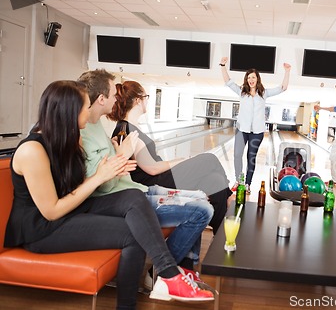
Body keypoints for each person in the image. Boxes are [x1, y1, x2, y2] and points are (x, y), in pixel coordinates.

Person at [3, 81, 213, 310]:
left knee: (133, 196)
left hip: (72, 210)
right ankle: (165, 279)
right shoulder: (32, 150)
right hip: (42, 229)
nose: (89, 111)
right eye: (85, 107)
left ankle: (167, 276)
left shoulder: (69, 139)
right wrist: (99, 177)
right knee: (133, 234)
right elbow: (51, 210)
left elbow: (74, 187)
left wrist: (113, 160)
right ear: (69, 112)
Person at [76, 69, 215, 300]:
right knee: (203, 210)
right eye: (113, 94)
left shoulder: (96, 124)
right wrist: (121, 155)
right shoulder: (84, 131)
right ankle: (162, 273)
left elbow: (112, 170)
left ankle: (185, 269)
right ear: (101, 99)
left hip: (135, 190)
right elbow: (102, 185)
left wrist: (117, 154)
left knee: (201, 196)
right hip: (125, 198)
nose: (116, 98)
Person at [107, 80, 232, 234]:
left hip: (160, 178)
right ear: (138, 100)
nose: (147, 100)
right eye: (146, 97)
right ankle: (230, 196)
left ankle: (222, 239)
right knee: (209, 159)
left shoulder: (127, 126)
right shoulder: (129, 130)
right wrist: (182, 160)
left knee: (215, 181)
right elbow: (152, 168)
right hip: (155, 183)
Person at [220, 56, 291, 194]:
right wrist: (222, 65)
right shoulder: (242, 92)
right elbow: (228, 82)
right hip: (242, 130)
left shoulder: (264, 93)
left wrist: (287, 71)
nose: (251, 80)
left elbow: (283, 88)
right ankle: (238, 180)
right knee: (237, 155)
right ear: (246, 80)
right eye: (248, 78)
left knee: (250, 157)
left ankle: (247, 184)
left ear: (257, 79)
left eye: (253, 77)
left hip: (257, 132)